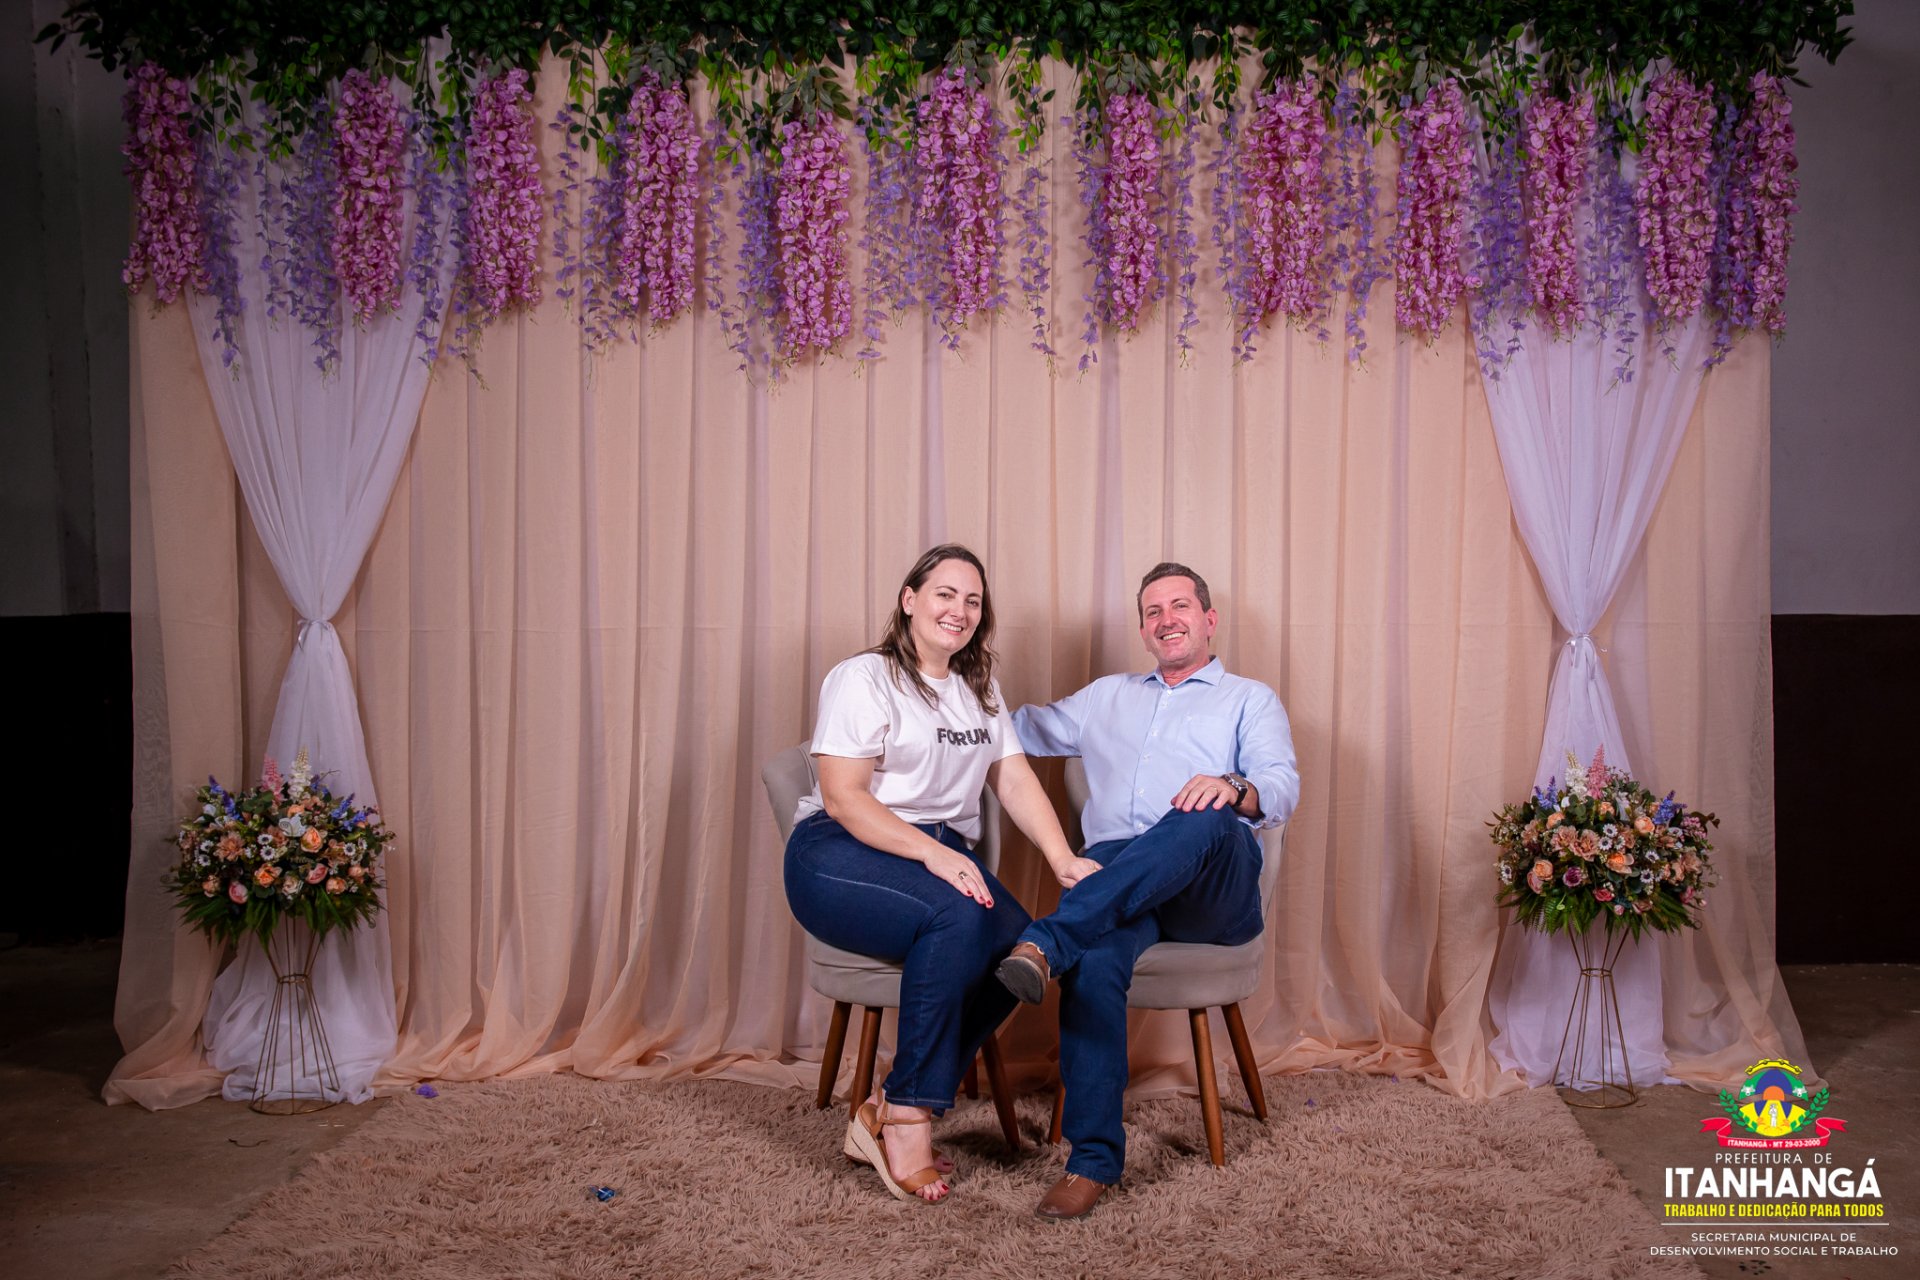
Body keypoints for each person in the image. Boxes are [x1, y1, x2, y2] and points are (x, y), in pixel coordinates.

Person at [784, 544, 1097, 1205]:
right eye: (945, 594)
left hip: (935, 853)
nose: (959, 610)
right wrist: (932, 853)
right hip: (840, 851)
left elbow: (1013, 778)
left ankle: (886, 1103)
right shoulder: (864, 677)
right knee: (954, 916)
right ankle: (907, 1118)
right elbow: (843, 798)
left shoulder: (978, 688)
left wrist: (1062, 859)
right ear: (910, 600)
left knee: (1025, 948)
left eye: (973, 601)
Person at [1000, 562, 1299, 1219]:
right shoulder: (1105, 697)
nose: (1167, 620)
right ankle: (1091, 1162)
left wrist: (1232, 786)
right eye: (1153, 611)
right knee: (1097, 957)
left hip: (1211, 890)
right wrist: (947, 688)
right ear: (1142, 630)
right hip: (1123, 882)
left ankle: (1048, 939)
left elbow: (1280, 787)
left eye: (1180, 606)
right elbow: (1012, 731)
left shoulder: (1249, 699)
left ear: (1209, 619)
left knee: (1202, 808)